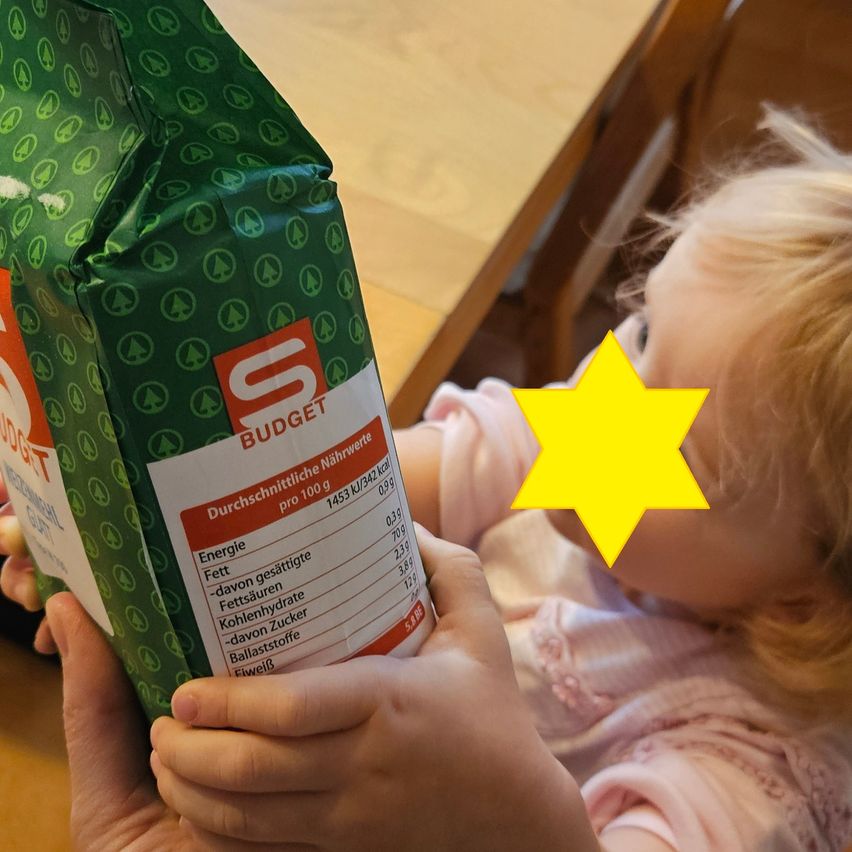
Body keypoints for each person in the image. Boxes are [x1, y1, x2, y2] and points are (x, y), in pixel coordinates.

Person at [2, 108, 851, 851]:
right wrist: (122, 550)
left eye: (683, 448)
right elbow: (369, 487)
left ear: (808, 605)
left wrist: (507, 818)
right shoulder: (580, 439)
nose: (606, 402)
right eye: (641, 331)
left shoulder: (752, 777)